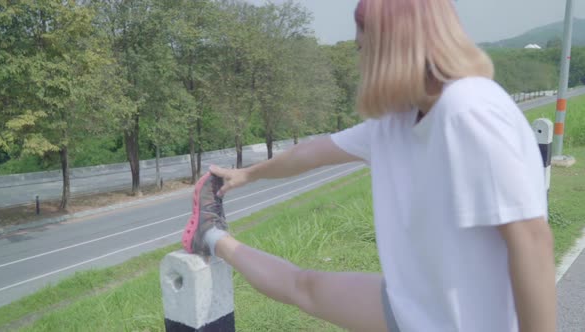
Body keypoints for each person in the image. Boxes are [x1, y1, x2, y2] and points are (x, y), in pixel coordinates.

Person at [194, 0, 557, 331]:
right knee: (304, 287)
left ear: (388, 47)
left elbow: (532, 241)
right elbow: (311, 153)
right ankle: (210, 236)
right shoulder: (398, 121)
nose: (360, 60)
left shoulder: (469, 110)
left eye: (361, 47)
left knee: (304, 287)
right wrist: (247, 174)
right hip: (415, 309)